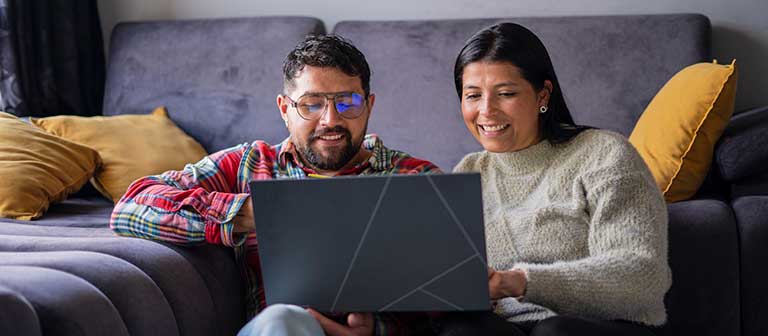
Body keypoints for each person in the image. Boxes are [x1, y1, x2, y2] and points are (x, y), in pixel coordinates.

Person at [110, 35, 439, 336]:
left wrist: (378, 328)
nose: (331, 120)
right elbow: (132, 207)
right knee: (280, 320)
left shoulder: (417, 178)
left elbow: (452, 291)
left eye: (347, 102)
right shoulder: (249, 166)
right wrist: (252, 214)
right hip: (281, 329)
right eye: (311, 104)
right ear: (285, 109)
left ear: (368, 105)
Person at [438, 22, 672, 336]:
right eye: (472, 96)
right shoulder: (469, 171)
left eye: (505, 93)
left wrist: (520, 282)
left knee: (554, 332)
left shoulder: (603, 153)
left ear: (542, 94)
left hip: (601, 326)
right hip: (508, 329)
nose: (486, 111)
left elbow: (642, 277)